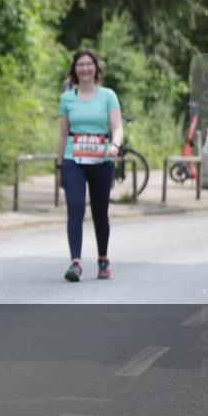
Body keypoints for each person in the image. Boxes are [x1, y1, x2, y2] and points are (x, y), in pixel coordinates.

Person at [55, 48, 123, 282]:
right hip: (74, 159)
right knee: (75, 207)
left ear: (95, 68)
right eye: (80, 64)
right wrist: (58, 165)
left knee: (99, 212)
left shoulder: (108, 95)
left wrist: (115, 144)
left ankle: (103, 257)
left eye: (89, 64)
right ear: (75, 70)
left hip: (101, 159)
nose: (85, 68)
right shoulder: (67, 99)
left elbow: (117, 126)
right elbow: (63, 134)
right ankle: (75, 262)